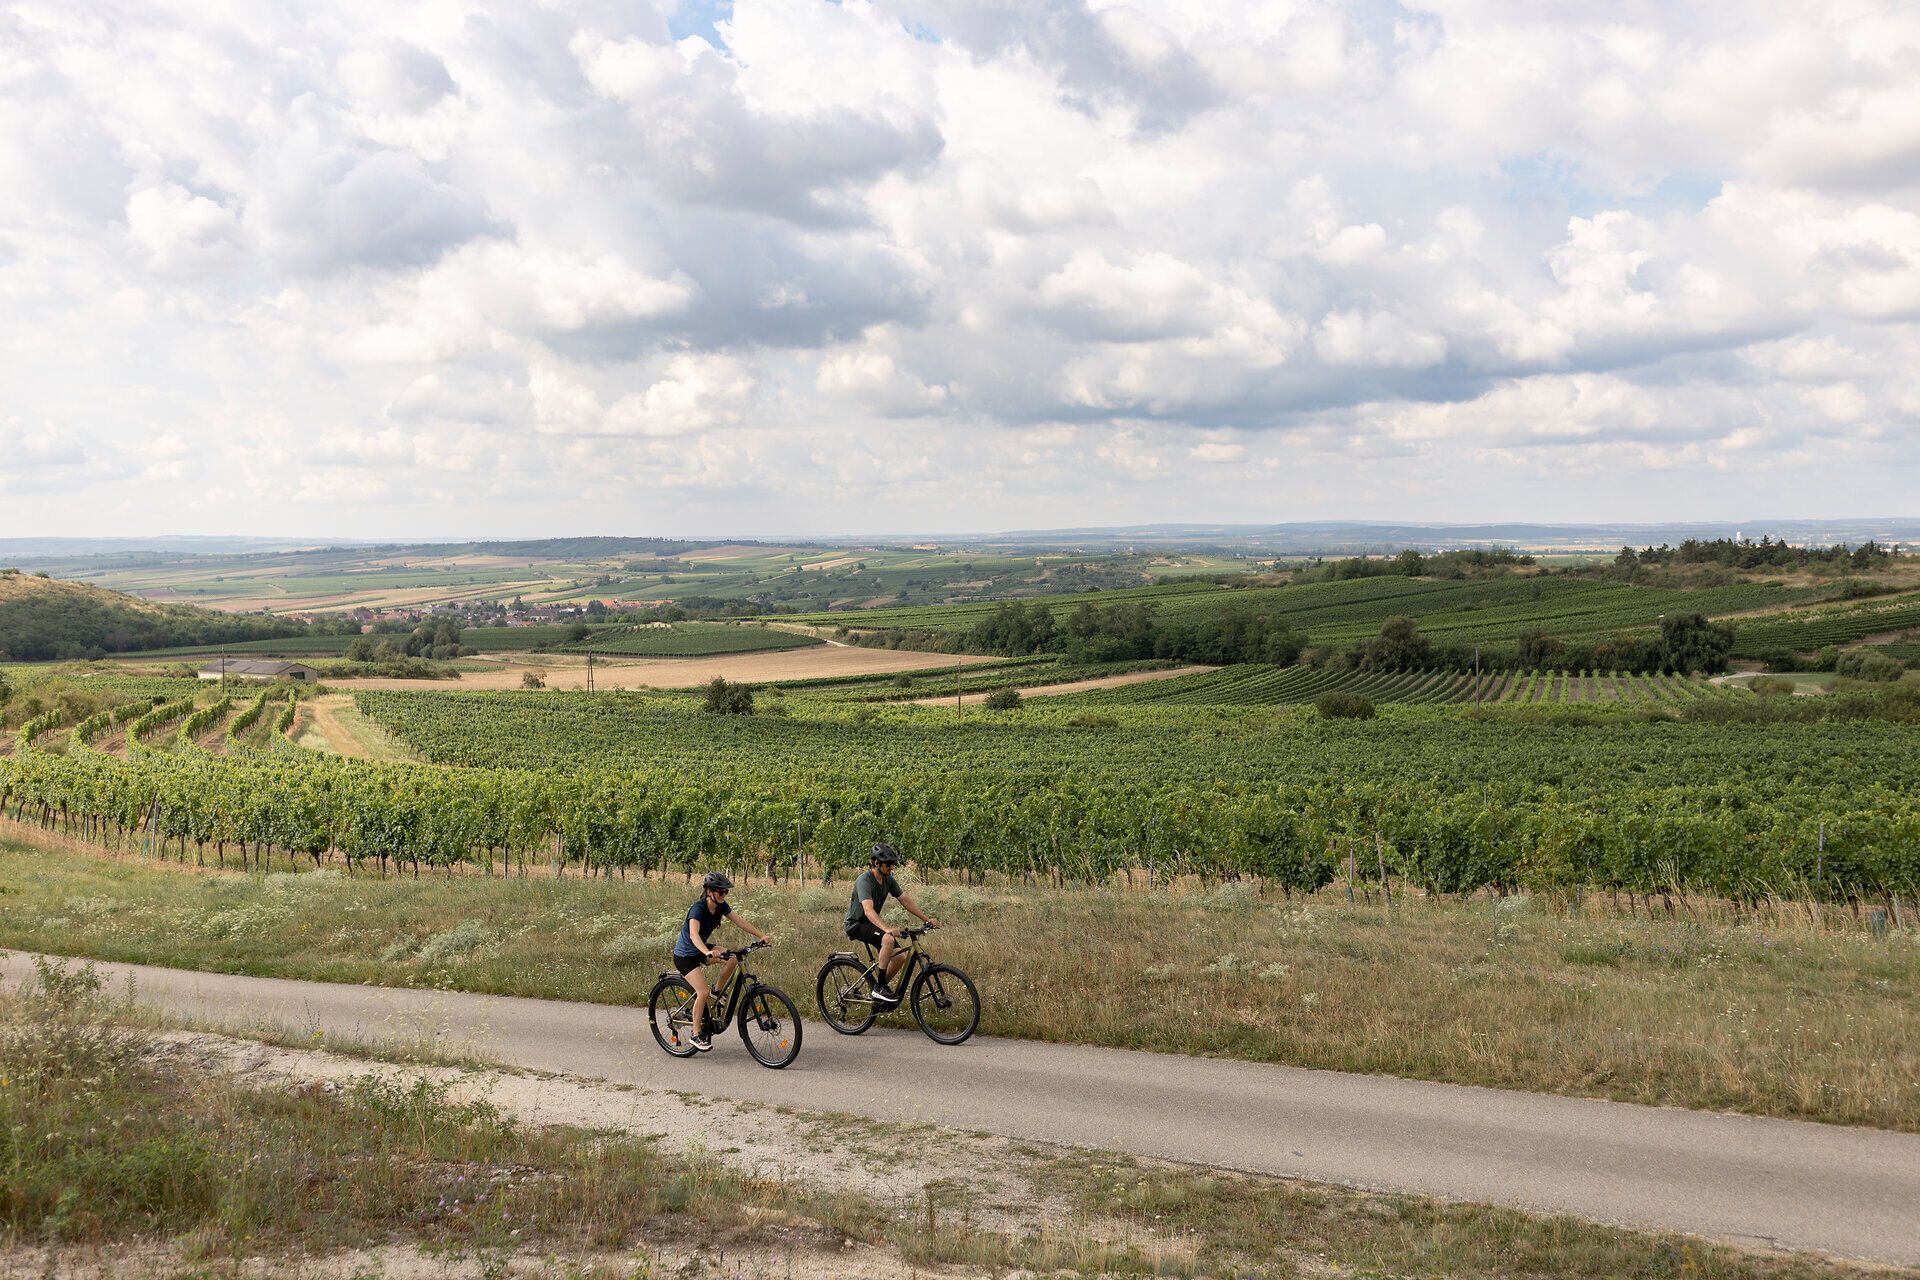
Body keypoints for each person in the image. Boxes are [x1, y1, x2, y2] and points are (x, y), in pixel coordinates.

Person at [672, 871, 772, 1051]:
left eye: (726, 892)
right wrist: (708, 952)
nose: (724, 895)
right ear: (709, 891)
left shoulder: (720, 906)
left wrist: (761, 935)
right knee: (701, 992)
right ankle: (696, 1034)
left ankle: (717, 993)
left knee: (733, 957)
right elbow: (694, 935)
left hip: (702, 949)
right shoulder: (698, 909)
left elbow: (740, 921)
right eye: (721, 892)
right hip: (686, 955)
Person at [844, 842, 938, 1006]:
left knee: (900, 957)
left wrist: (926, 919)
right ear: (876, 863)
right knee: (887, 938)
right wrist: (887, 929)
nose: (891, 867)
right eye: (888, 864)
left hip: (871, 924)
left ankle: (877, 989)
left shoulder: (888, 880)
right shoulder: (864, 881)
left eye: (893, 863)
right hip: (857, 924)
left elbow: (904, 900)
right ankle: (879, 988)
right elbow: (868, 910)